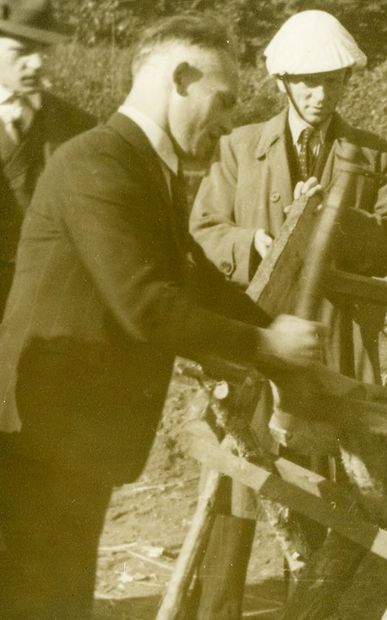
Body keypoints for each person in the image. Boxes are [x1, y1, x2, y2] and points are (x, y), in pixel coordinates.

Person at [0, 15, 325, 620]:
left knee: (58, 596)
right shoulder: (96, 161)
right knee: (41, 600)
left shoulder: (141, 164)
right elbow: (147, 304)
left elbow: (193, 274)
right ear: (179, 79)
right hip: (43, 431)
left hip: (75, 433)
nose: (227, 121)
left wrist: (271, 331)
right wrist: (267, 342)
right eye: (221, 100)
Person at [187, 10, 387, 616]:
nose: (320, 95)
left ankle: (316, 608)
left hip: (335, 340)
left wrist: (335, 222)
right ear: (283, 83)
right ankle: (217, 607)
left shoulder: (373, 154)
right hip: (254, 336)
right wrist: (253, 245)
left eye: (333, 82)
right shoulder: (237, 148)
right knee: (244, 479)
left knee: (330, 482)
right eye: (308, 82)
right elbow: (204, 230)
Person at [0, 0, 95, 314]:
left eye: (44, 51)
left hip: (48, 300)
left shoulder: (78, 125)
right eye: (21, 51)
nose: (37, 64)